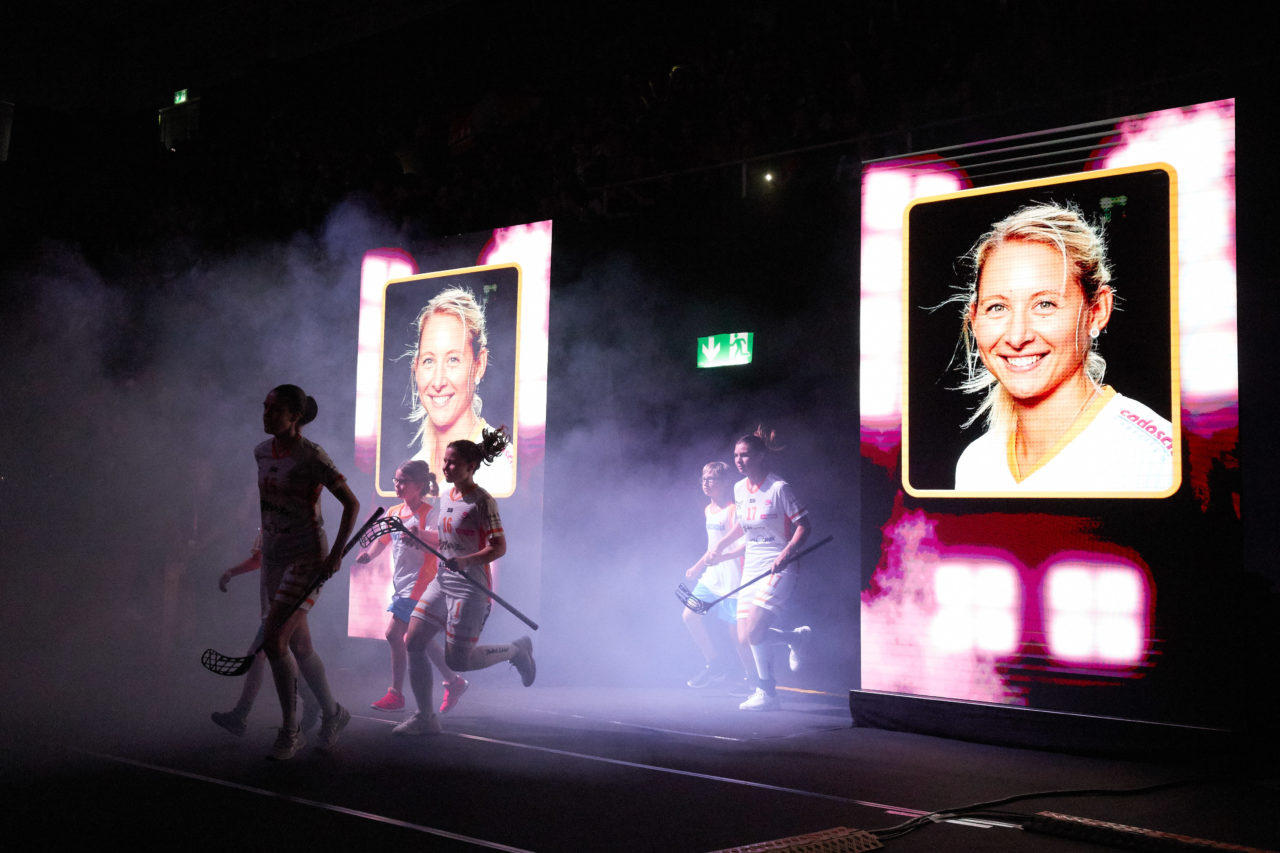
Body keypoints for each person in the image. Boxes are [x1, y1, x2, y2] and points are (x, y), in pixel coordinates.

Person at [951, 202, 1174, 492]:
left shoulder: (1156, 460)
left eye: (1045, 304)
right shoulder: (976, 464)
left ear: (1097, 310)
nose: (1017, 337)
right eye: (997, 307)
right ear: (974, 318)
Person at [393, 428, 535, 735]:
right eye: (445, 461)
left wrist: (466, 561)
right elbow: (448, 540)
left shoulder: (483, 502)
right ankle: (426, 717)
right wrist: (421, 538)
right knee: (413, 641)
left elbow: (499, 547)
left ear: (471, 466)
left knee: (459, 661)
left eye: (453, 463)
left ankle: (516, 650)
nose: (445, 467)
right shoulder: (446, 495)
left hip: (470, 588)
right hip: (443, 582)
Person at [256, 384, 361, 760]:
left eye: (274, 410)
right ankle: (333, 713)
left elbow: (351, 503)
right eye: (265, 408)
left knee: (275, 641)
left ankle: (291, 730)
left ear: (294, 416)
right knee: (299, 645)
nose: (266, 415)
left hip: (305, 557)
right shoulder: (262, 452)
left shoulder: (311, 455)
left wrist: (335, 554)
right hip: (274, 556)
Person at [707, 427, 812, 711]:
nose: (739, 461)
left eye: (745, 455)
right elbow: (743, 525)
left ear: (761, 456)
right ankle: (795, 638)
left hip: (779, 565)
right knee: (745, 636)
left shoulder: (779, 488)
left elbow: (804, 525)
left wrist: (788, 553)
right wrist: (722, 546)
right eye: (736, 456)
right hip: (752, 566)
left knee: (754, 631)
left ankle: (767, 693)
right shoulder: (740, 489)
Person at [356, 460, 470, 715]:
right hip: (402, 584)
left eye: (402, 481)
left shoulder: (429, 513)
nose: (397, 485)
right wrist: (369, 555)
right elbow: (383, 540)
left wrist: (418, 533)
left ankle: (396, 693)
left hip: (421, 585)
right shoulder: (394, 512)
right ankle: (454, 681)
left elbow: (440, 539)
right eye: (395, 480)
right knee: (420, 639)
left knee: (393, 634)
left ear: (419, 485)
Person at [406, 286, 514, 496]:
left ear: (479, 364)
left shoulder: (502, 468)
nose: (438, 381)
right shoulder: (412, 469)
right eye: (429, 360)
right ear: (416, 368)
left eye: (453, 359)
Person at [209, 533, 320, 737]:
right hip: (272, 606)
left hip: (284, 604)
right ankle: (313, 701)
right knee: (286, 655)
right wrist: (231, 572)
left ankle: (241, 715)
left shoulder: (292, 525)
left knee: (258, 655)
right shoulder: (265, 528)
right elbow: (257, 560)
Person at [682, 461, 753, 690]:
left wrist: (721, 559)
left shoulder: (733, 510)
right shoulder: (707, 510)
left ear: (723, 483)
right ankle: (715, 665)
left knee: (737, 636)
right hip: (712, 579)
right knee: (690, 615)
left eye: (711, 479)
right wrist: (697, 567)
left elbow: (745, 547)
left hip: (733, 579)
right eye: (703, 479)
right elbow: (712, 547)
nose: (706, 483)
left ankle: (753, 679)